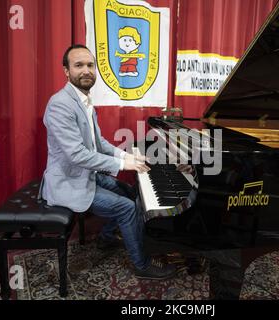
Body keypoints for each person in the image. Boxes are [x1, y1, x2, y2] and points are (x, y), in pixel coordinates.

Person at [39, 44, 176, 280]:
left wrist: (127, 156)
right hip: (69, 182)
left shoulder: (84, 100)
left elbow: (99, 143)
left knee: (133, 192)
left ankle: (107, 237)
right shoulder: (60, 104)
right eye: (79, 65)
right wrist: (124, 166)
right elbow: (77, 155)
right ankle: (141, 265)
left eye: (90, 65)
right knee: (127, 207)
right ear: (66, 71)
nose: (86, 70)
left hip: (86, 176)